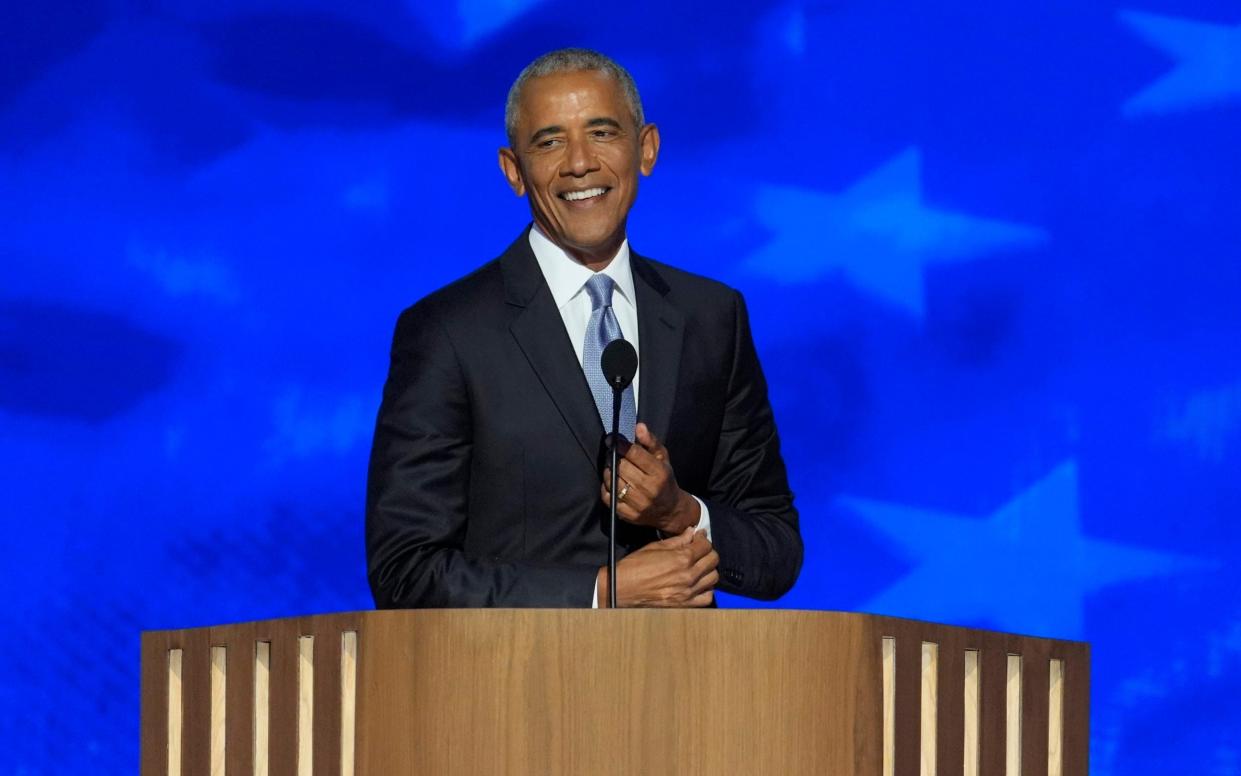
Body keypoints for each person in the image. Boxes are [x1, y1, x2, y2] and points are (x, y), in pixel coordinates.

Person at [366, 48, 801, 608]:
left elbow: (777, 550)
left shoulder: (713, 316)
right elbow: (406, 572)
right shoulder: (448, 332)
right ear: (513, 171)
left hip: (688, 683)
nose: (579, 163)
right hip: (517, 686)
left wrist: (680, 512)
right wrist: (601, 593)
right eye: (549, 142)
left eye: (602, 133)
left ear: (645, 149)